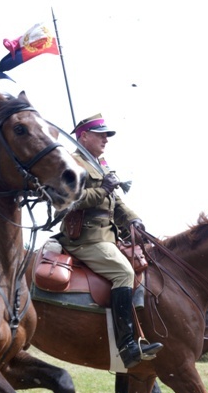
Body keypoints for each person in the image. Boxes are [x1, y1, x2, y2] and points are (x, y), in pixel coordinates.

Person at [58, 113, 162, 369]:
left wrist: (133, 220)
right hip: (85, 238)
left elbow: (116, 203)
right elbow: (69, 199)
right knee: (124, 273)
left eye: (107, 135)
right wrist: (103, 187)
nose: (106, 139)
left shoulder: (100, 164)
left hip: (108, 237)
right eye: (100, 134)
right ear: (84, 136)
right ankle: (127, 345)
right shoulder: (71, 162)